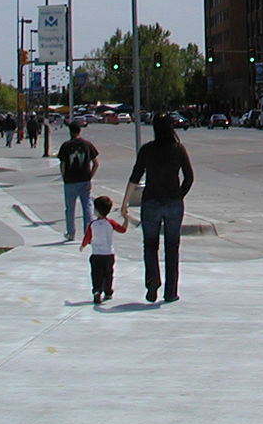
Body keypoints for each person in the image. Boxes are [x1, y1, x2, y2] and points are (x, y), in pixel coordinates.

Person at [120, 113, 194, 303]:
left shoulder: (147, 150)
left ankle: (152, 282)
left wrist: (125, 203)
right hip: (173, 203)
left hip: (151, 202)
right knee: (172, 247)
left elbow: (134, 177)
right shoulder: (178, 149)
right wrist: (179, 195)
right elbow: (189, 177)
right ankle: (171, 292)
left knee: (150, 245)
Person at [80, 195, 127, 305]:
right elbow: (122, 230)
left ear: (96, 210)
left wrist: (83, 245)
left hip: (96, 255)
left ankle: (97, 291)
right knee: (108, 273)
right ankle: (108, 292)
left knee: (96, 274)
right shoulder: (110, 223)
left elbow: (87, 237)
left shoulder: (92, 224)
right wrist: (126, 219)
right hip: (108, 254)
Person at [57, 121, 99, 241]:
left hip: (70, 181)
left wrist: (64, 177)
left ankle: (71, 233)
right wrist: (90, 176)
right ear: (80, 131)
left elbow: (63, 164)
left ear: (70, 131)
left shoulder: (66, 146)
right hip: (84, 180)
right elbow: (96, 163)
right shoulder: (87, 145)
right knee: (87, 206)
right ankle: (88, 233)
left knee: (70, 208)